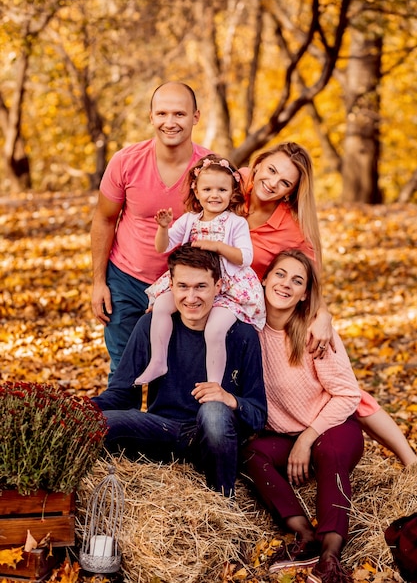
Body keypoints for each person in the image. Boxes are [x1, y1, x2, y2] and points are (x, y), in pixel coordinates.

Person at [241, 141, 417, 467]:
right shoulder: (234, 186)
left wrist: (324, 316)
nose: (273, 182)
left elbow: (311, 282)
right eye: (271, 170)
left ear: (292, 192)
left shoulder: (293, 228)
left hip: (262, 312)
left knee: (338, 385)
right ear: (258, 163)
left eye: (285, 182)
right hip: (217, 305)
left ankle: (410, 461)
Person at [92, 244, 267, 497]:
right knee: (102, 423)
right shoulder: (151, 326)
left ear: (218, 287)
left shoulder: (241, 333)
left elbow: (258, 415)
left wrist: (229, 400)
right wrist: (79, 412)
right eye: (183, 286)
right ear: (170, 285)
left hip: (212, 436)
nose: (191, 297)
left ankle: (221, 500)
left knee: (214, 413)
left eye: (201, 287)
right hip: (161, 430)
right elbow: (121, 394)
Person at [242, 249, 364, 583]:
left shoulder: (314, 333)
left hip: (333, 429)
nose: (285, 284)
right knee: (250, 455)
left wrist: (308, 438)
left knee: (330, 451)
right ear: (264, 279)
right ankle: (304, 536)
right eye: (279, 274)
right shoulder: (245, 331)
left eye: (297, 281)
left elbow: (349, 395)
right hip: (283, 435)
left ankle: (330, 557)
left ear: (304, 294)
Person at [90, 81, 211, 377]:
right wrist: (98, 281)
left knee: (173, 374)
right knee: (123, 370)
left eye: (179, 114)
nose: (170, 123)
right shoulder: (125, 161)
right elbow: (104, 219)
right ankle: (116, 424)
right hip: (125, 280)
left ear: (196, 116)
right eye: (162, 114)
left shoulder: (210, 168)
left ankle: (163, 425)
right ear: (151, 116)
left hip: (182, 287)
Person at [134, 154, 265, 386]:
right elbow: (162, 247)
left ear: (232, 193)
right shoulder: (189, 220)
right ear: (196, 190)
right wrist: (163, 228)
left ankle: (213, 384)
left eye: (222, 190)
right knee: (162, 306)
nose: (214, 195)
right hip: (194, 284)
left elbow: (246, 257)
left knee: (215, 329)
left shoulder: (236, 223)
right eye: (207, 189)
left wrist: (216, 247)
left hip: (228, 288)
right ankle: (158, 360)